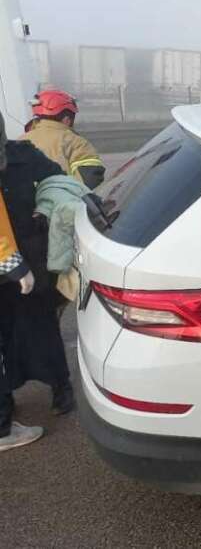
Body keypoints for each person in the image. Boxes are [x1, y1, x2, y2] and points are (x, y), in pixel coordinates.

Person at [0, 138, 72, 452]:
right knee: (9, 341)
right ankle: (6, 411)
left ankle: (61, 392)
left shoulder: (25, 155)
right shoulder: (20, 156)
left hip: (28, 265)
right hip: (15, 265)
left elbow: (58, 182)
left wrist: (45, 209)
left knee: (43, 331)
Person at [22, 89, 105, 189]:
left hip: (25, 204)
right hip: (64, 203)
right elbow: (92, 175)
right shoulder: (75, 142)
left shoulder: (20, 141)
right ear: (66, 119)